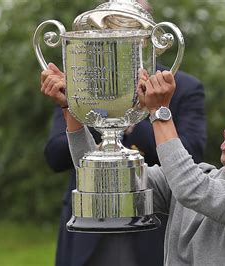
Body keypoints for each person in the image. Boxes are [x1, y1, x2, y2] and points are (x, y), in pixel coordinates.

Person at [43, 69, 225, 265]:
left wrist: (159, 113)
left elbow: (193, 190)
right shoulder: (202, 176)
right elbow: (101, 181)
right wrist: (71, 111)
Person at [42, 62, 206, 265]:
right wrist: (104, 116)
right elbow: (55, 156)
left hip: (150, 229)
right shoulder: (80, 86)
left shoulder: (182, 85)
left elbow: (193, 156)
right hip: (88, 230)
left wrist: (141, 120)